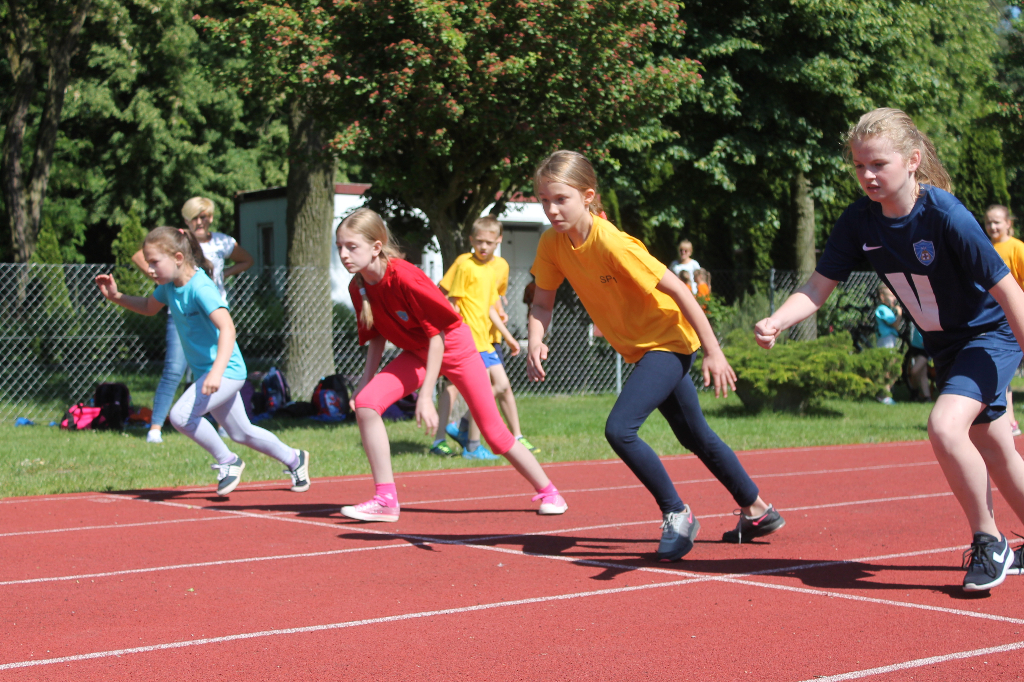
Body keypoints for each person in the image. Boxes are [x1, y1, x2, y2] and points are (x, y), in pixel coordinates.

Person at [754, 108, 1024, 592]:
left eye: (878, 164)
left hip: (989, 336)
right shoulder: (860, 221)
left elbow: (1009, 295)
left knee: (944, 426)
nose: (867, 176)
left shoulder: (946, 215)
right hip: (945, 346)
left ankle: (990, 541)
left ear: (913, 160)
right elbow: (817, 288)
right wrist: (778, 319)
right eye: (859, 166)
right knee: (996, 447)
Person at [527, 150, 784, 561]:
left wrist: (713, 352)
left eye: (561, 199)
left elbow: (681, 290)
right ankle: (757, 510)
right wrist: (536, 339)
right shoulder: (552, 243)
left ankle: (677, 513)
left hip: (668, 342)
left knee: (620, 429)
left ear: (588, 196)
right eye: (544, 200)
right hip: (642, 349)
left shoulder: (613, 242)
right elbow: (542, 302)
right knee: (693, 434)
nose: (551, 209)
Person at [336, 208, 567, 522]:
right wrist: (365, 380)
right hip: (418, 353)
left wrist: (426, 396)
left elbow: (438, 338)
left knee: (495, 434)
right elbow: (376, 335)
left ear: (376, 246)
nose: (344, 254)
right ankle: (385, 499)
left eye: (352, 247)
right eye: (340, 247)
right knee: (365, 403)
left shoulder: (403, 275)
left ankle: (549, 491)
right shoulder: (358, 286)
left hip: (455, 349)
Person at [97, 226, 309, 496]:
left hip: (226, 371)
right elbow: (148, 308)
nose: (149, 269)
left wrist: (216, 373)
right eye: (148, 262)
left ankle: (229, 461)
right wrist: (116, 296)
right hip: (211, 374)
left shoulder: (200, 287)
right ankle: (295, 459)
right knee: (241, 432)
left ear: (177, 258)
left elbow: (228, 329)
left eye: (154, 262)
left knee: (181, 416)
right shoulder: (170, 287)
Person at [132, 197, 254, 444]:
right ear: (186, 219)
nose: (201, 221)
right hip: (182, 314)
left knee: (232, 420)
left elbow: (246, 261)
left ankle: (227, 442)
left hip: (209, 313)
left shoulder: (221, 245)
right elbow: (140, 258)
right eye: (196, 217)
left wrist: (224, 275)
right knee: (174, 370)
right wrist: (156, 273)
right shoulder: (177, 240)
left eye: (205, 216)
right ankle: (155, 427)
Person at [434, 216, 539, 459]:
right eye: (479, 242)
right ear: (471, 240)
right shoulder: (465, 265)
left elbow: (492, 305)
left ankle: (469, 428)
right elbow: (452, 298)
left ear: (498, 241)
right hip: (471, 340)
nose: (483, 247)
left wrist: (509, 337)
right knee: (474, 389)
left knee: (500, 386)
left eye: (489, 242)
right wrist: (452, 324)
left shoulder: (495, 268)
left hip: (489, 338)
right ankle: (468, 443)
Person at [985, 204, 1023, 436]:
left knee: (1004, 371)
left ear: (1009, 223)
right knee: (1001, 372)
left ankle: (1009, 421)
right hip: (993, 320)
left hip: (1014, 317)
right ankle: (1008, 421)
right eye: (988, 222)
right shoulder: (986, 248)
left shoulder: (1016, 248)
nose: (992, 226)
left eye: (997, 222)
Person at [875, 283, 903, 404]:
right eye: (891, 295)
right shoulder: (882, 309)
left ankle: (886, 393)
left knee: (892, 367)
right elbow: (895, 325)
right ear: (882, 297)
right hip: (886, 342)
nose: (894, 298)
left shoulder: (887, 310)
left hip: (890, 340)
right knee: (887, 367)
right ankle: (884, 396)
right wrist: (899, 313)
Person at [906, 321, 932, 402]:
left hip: (925, 350)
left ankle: (914, 390)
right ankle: (927, 397)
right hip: (917, 348)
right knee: (923, 374)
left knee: (914, 371)